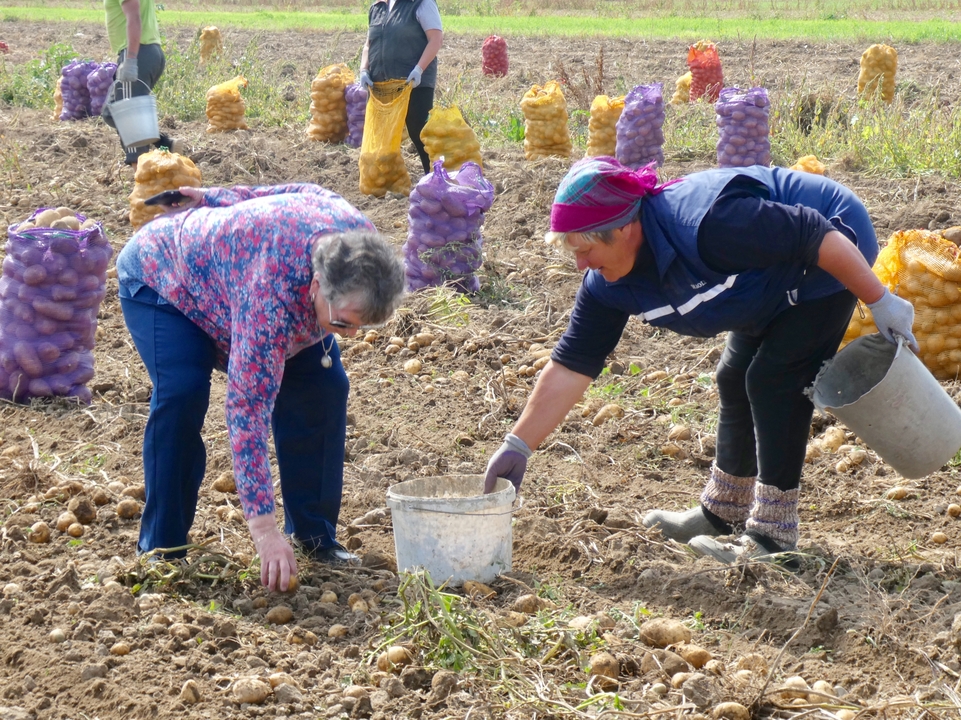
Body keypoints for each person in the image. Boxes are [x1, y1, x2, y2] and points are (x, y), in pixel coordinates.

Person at [483, 156, 917, 566]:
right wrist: (518, 444)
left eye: (585, 249)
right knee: (734, 377)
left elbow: (812, 233)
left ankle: (773, 535)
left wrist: (879, 300)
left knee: (772, 380)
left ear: (625, 228)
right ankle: (723, 509)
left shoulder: (707, 225)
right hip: (761, 276)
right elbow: (573, 362)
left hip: (830, 244)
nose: (581, 264)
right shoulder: (606, 284)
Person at [115, 183, 406, 591]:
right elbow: (247, 410)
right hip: (166, 280)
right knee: (183, 393)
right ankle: (162, 550)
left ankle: (315, 537)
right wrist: (264, 531)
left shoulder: (357, 235)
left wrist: (214, 195)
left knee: (324, 387)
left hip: (235, 279)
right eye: (343, 323)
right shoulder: (272, 296)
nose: (352, 336)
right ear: (317, 283)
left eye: (363, 325)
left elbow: (302, 191)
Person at [358, 0, 444, 174]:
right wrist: (363, 70)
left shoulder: (421, 4)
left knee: (419, 131)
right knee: (380, 134)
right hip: (381, 84)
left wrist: (419, 69)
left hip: (413, 82)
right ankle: (382, 182)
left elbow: (435, 39)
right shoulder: (377, 7)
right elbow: (369, 44)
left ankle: (436, 177)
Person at [101, 0, 182, 166]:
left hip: (138, 53)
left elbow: (134, 18)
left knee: (129, 117)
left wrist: (130, 59)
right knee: (111, 112)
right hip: (143, 52)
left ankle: (141, 181)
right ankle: (164, 143)